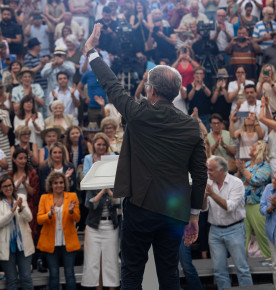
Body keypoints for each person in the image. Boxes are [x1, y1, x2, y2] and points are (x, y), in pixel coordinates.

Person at [85, 23, 207, 288]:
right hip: (175, 211)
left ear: (151, 90)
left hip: (140, 207)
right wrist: (194, 215)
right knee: (169, 274)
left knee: (131, 272)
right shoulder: (191, 125)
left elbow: (112, 85)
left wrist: (92, 52)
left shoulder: (138, 113)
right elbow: (200, 174)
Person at [204, 156, 254, 289]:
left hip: (234, 229)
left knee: (242, 269)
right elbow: (204, 208)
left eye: (211, 170)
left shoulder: (236, 183)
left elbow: (229, 207)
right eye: (207, 170)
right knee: (219, 271)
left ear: (221, 170)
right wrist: (204, 196)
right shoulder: (208, 183)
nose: (208, 172)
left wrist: (212, 194)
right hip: (214, 230)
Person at [37, 171, 80, 290]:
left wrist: (71, 211)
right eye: (55, 183)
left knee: (70, 274)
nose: (59, 185)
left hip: (68, 241)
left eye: (61, 182)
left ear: (65, 183)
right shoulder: (44, 198)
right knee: (54, 274)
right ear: (51, 185)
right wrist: (49, 214)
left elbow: (77, 218)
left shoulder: (72, 196)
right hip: (51, 242)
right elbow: (39, 220)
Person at [0, 175, 35, 290]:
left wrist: (21, 208)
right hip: (6, 246)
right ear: (0, 189)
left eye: (10, 185)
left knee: (26, 277)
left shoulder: (21, 197)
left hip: (23, 244)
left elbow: (29, 218)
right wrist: (12, 211)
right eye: (4, 186)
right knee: (11, 279)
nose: (8, 188)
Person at [236, 141, 272, 258]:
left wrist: (243, 172)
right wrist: (242, 173)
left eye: (253, 146)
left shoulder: (265, 166)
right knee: (242, 236)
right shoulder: (245, 164)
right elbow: (238, 181)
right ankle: (242, 261)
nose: (250, 148)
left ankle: (269, 259)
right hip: (243, 204)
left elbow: (256, 181)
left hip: (257, 205)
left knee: (262, 234)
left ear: (259, 150)